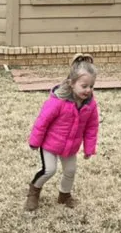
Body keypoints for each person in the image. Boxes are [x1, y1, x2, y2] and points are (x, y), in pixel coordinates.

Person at [25, 53, 100, 211]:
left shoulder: (90, 105)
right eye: (84, 86)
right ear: (71, 83)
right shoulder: (57, 101)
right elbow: (42, 121)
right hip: (50, 145)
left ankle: (64, 195)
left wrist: (89, 149)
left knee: (70, 171)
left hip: (70, 147)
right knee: (49, 170)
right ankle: (34, 190)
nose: (88, 90)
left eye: (91, 86)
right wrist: (35, 142)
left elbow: (91, 128)